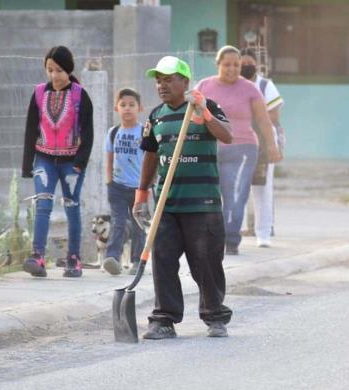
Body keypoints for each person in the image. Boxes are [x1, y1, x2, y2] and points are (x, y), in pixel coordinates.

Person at [133, 56, 233, 339]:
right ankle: (164, 319)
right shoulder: (156, 116)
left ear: (184, 82)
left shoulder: (204, 107)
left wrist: (205, 112)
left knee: (206, 262)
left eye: (168, 79)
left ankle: (215, 316)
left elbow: (227, 136)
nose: (162, 85)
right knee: (163, 259)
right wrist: (141, 194)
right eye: (158, 80)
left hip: (203, 202)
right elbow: (150, 155)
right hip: (168, 202)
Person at [196, 45, 281, 255]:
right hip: (210, 147)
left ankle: (230, 240)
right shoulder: (204, 86)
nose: (232, 69)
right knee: (209, 194)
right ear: (218, 65)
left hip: (242, 149)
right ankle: (210, 236)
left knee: (235, 194)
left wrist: (272, 146)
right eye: (227, 65)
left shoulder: (250, 89)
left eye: (236, 65)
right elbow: (193, 117)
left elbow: (263, 120)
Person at [21, 45, 93, 278]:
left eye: (60, 70)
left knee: (71, 207)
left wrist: (80, 162)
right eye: (50, 70)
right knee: (43, 205)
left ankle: (73, 259)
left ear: (68, 70)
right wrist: (27, 164)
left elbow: (88, 132)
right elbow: (31, 129)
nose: (55, 76)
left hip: (71, 162)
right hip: (44, 160)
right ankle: (37, 257)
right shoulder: (39, 93)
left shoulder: (80, 95)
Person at [239, 48, 285, 248]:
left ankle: (263, 233)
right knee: (236, 187)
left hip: (263, 140)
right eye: (242, 64)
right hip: (238, 140)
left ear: (256, 65)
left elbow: (273, 116)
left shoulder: (265, 85)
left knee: (262, 188)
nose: (245, 67)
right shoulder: (233, 86)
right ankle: (234, 230)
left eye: (249, 63)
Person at [101, 88, 147, 276]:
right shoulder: (113, 133)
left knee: (138, 225)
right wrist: (109, 182)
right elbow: (110, 158)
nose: (127, 109)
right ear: (116, 108)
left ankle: (137, 261)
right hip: (117, 187)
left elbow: (151, 159)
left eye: (131, 105)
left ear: (140, 108)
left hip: (139, 188)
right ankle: (112, 258)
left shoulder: (144, 132)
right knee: (118, 222)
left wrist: (147, 185)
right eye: (123, 105)